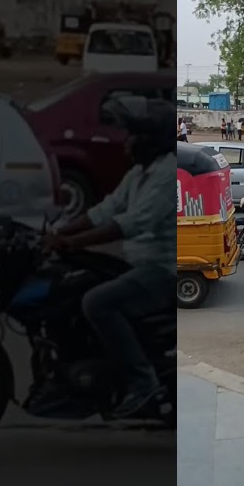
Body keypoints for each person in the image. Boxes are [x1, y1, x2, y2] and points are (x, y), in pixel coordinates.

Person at [44, 98, 175, 417]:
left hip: (162, 269)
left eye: (132, 134)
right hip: (136, 263)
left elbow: (133, 222)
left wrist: (73, 243)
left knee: (97, 302)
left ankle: (143, 384)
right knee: (71, 285)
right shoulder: (140, 173)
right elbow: (106, 209)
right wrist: (59, 233)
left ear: (149, 139)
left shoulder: (166, 174)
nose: (125, 141)